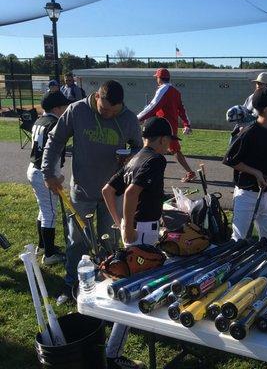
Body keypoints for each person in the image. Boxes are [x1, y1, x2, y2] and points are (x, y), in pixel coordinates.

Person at [42, 80, 142, 304]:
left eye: (113, 112)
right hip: (82, 190)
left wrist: (131, 156)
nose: (108, 115)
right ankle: (71, 285)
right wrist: (49, 172)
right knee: (77, 241)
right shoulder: (77, 110)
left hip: (114, 192)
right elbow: (55, 140)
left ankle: (106, 282)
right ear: (97, 96)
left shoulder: (128, 118)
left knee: (110, 240)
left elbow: (139, 147)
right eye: (104, 110)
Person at [101, 117, 175, 369]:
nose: (169, 147)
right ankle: (113, 354)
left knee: (134, 282)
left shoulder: (135, 157)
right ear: (162, 139)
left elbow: (107, 191)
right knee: (133, 289)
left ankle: (125, 339)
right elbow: (131, 193)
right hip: (142, 231)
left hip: (136, 228)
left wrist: (120, 222)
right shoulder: (156, 159)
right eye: (169, 142)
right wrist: (128, 225)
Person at [223, 86, 267, 246]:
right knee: (239, 239)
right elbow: (231, 160)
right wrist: (255, 172)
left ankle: (266, 268)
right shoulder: (248, 132)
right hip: (247, 194)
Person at [27, 91, 70, 264]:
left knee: (44, 210)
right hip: (44, 172)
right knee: (49, 213)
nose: (66, 109)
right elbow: (51, 154)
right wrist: (54, 176)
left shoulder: (40, 120)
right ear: (56, 108)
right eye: (64, 106)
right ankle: (50, 255)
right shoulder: (54, 123)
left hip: (33, 169)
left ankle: (44, 245)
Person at [137, 68, 195, 182]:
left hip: (162, 126)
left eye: (157, 78)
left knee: (155, 147)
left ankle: (189, 172)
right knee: (167, 149)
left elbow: (153, 106)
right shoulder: (175, 91)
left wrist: (138, 118)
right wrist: (186, 124)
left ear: (159, 78)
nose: (156, 80)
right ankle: (147, 171)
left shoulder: (163, 89)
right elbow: (181, 109)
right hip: (169, 125)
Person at [227, 72, 267, 144]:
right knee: (233, 145)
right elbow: (244, 111)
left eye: (261, 83)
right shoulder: (251, 97)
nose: (258, 85)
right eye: (257, 83)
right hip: (245, 129)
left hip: (259, 131)